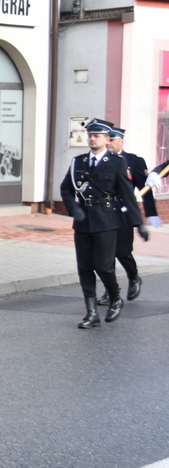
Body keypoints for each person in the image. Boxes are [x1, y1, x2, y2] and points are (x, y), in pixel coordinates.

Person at [60, 119, 146, 329]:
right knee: (85, 268)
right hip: (83, 222)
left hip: (107, 220)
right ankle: (91, 313)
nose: (91, 139)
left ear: (107, 139)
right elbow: (66, 189)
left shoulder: (117, 163)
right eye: (89, 135)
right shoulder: (78, 162)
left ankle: (115, 298)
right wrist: (73, 208)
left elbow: (127, 195)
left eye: (96, 136)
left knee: (104, 266)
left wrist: (138, 223)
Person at [99, 127, 161, 304]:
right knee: (106, 254)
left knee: (122, 252)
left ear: (121, 141)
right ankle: (111, 291)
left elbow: (145, 191)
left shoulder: (134, 161)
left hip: (125, 213)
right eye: (107, 139)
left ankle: (134, 278)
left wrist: (150, 216)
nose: (109, 143)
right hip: (104, 213)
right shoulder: (100, 160)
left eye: (113, 139)